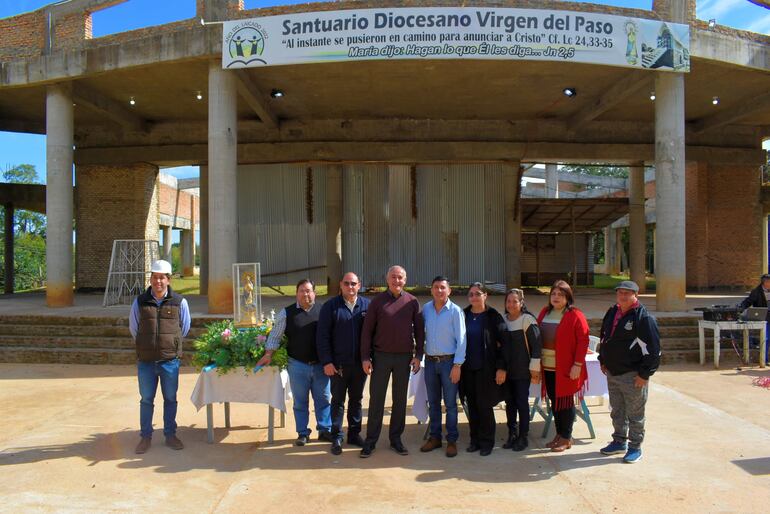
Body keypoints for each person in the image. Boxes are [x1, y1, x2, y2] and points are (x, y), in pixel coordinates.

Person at [359, 265, 424, 458]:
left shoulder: (412, 302)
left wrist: (418, 355)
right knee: (377, 400)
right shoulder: (377, 302)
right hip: (381, 357)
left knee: (399, 400)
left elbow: (420, 332)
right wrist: (365, 357)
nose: (397, 281)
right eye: (393, 277)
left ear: (405, 280)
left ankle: (396, 439)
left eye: (400, 278)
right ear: (387, 279)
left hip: (404, 358)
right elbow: (367, 332)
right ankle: (370, 441)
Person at [257, 279, 332, 446]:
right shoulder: (287, 313)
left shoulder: (324, 310)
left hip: (321, 365)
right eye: (302, 291)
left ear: (315, 292)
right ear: (296, 293)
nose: (305, 294)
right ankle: (302, 433)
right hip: (297, 365)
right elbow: (275, 335)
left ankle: (324, 430)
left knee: (324, 399)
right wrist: (268, 353)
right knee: (300, 402)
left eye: (308, 291)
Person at [130, 259, 191, 454]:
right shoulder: (140, 301)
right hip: (146, 362)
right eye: (155, 277)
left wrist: (171, 344)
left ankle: (170, 434)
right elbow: (134, 327)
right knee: (146, 399)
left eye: (162, 278)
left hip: (169, 361)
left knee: (170, 399)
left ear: (168, 280)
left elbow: (185, 327)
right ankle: (145, 437)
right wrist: (146, 344)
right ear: (150, 279)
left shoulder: (179, 302)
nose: (158, 282)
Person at [598, 280, 661, 464]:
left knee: (635, 414)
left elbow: (654, 350)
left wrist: (644, 374)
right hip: (612, 372)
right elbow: (604, 337)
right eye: (620, 293)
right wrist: (603, 360)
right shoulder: (612, 312)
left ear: (636, 295)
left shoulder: (644, 318)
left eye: (628, 293)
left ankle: (635, 447)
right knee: (617, 411)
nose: (623, 296)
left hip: (633, 375)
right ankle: (618, 442)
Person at [316, 272, 370, 455]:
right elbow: (322, 337)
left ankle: (354, 434)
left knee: (356, 400)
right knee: (338, 402)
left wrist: (368, 359)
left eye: (353, 283)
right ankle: (337, 436)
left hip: (359, 365)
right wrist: (327, 362)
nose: (350, 287)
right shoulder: (330, 307)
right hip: (338, 366)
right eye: (346, 283)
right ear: (341, 285)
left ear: (359, 285)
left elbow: (372, 335)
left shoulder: (367, 306)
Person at [536, 280, 589, 453]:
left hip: (566, 368)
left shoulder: (575, 315)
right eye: (553, 294)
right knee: (555, 401)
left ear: (568, 297)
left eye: (561, 294)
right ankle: (559, 434)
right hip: (548, 367)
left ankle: (566, 437)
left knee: (565, 402)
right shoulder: (545, 312)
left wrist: (577, 364)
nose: (556, 297)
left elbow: (583, 340)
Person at [419, 276, 467, 458]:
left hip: (449, 363)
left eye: (443, 288)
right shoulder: (426, 310)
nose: (439, 291)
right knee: (433, 403)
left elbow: (462, 340)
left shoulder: (455, 312)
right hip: (430, 362)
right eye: (436, 287)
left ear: (449, 291)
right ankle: (435, 437)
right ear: (431, 290)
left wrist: (458, 365)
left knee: (450, 405)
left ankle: (452, 440)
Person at [459, 282, 504, 456]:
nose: (474, 297)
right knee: (472, 406)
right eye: (471, 294)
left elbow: (503, 344)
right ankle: (474, 440)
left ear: (486, 295)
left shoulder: (493, 316)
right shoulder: (463, 315)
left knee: (484, 406)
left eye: (478, 293)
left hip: (487, 369)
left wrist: (501, 367)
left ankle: (487, 442)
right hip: (467, 369)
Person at [498, 288, 542, 452]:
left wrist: (534, 369)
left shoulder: (528, 320)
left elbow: (537, 346)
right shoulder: (502, 320)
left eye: (514, 301)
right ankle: (512, 434)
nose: (511, 304)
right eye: (508, 301)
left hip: (523, 371)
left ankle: (523, 436)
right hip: (507, 371)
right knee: (509, 403)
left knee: (522, 403)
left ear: (521, 303)